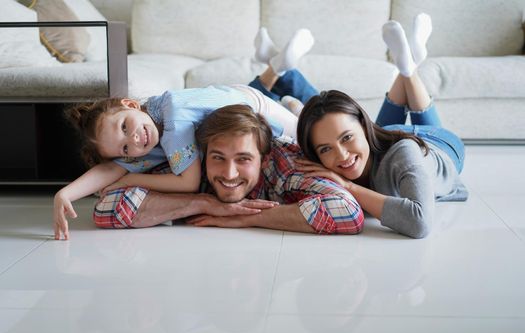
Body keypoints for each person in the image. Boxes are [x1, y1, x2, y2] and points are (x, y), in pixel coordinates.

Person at [53, 29, 316, 240]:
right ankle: (274, 68)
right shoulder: (145, 131)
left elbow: (187, 184)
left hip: (255, 106)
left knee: (311, 135)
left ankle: (292, 94)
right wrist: (64, 194)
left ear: (131, 104)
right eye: (123, 149)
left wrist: (131, 179)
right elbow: (110, 170)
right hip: (225, 101)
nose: (133, 141)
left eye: (125, 127)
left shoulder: (174, 121)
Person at [255, 14, 467, 238]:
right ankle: (407, 64)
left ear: (365, 127)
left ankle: (409, 69)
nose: (342, 155)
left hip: (439, 144)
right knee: (327, 116)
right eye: (325, 148)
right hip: (386, 136)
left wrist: (348, 186)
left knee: (342, 124)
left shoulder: (404, 153)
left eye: (347, 138)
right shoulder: (336, 155)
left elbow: (419, 223)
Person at [94, 104, 364, 235]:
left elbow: (348, 213)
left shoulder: (285, 164)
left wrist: (246, 217)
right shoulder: (190, 163)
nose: (230, 174)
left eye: (244, 159)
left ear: (263, 157)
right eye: (218, 158)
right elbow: (107, 208)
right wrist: (204, 203)